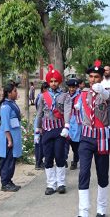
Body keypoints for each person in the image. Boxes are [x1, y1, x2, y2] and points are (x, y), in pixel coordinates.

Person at [77, 60, 110, 217]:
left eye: (96, 77)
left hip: (101, 138)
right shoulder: (83, 93)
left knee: (102, 173)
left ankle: (101, 209)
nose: (93, 80)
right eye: (91, 76)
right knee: (84, 173)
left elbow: (109, 97)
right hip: (86, 138)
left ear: (101, 78)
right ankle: (83, 211)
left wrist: (102, 92)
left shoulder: (107, 91)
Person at [34, 65, 71, 195]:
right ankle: (51, 184)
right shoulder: (43, 96)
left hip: (60, 129)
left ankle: (61, 183)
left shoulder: (65, 96)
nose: (54, 83)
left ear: (59, 82)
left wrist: (67, 125)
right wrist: (37, 130)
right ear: (48, 82)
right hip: (47, 130)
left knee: (60, 156)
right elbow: (39, 114)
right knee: (48, 157)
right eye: (51, 81)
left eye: (56, 81)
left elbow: (67, 111)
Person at [0, 83, 22, 192]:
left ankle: (9, 180)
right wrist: (10, 140)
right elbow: (6, 125)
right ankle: (5, 183)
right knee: (6, 161)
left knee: (11, 160)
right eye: (15, 91)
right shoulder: (5, 107)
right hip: (8, 138)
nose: (16, 93)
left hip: (13, 136)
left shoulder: (12, 103)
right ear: (9, 93)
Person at [65, 78, 82, 170]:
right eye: (70, 87)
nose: (72, 89)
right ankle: (64, 159)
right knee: (65, 142)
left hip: (76, 121)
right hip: (67, 121)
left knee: (75, 144)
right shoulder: (65, 96)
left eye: (74, 87)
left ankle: (75, 161)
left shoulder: (80, 96)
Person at [34, 82, 49, 170]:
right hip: (40, 122)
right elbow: (40, 112)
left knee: (41, 142)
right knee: (39, 143)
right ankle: (38, 162)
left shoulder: (41, 96)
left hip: (41, 121)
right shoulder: (42, 97)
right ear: (44, 89)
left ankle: (39, 161)